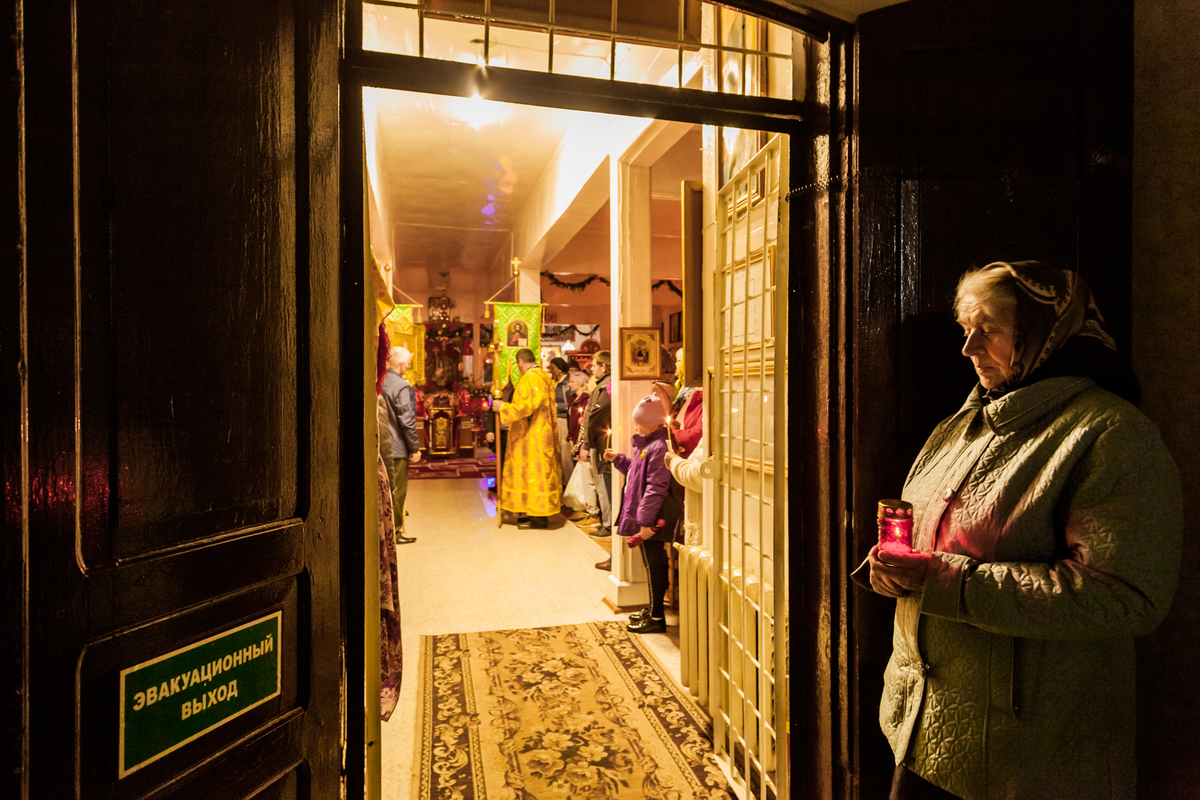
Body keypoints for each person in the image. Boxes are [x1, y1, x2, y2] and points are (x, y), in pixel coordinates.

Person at [856, 261, 1182, 800]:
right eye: (967, 330)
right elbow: (924, 547)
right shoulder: (961, 425)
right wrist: (895, 572)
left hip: (1028, 753)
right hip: (923, 728)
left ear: (1044, 334)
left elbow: (1123, 597)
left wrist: (942, 580)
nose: (968, 348)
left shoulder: (1108, 433)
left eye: (988, 330)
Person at [603, 394, 681, 634]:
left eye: (638, 422)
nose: (635, 426)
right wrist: (620, 460)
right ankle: (653, 608)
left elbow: (656, 487)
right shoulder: (646, 446)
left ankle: (657, 617)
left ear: (650, 423)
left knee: (655, 564)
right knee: (650, 563)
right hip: (648, 516)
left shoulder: (658, 447)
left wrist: (645, 521)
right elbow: (637, 475)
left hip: (654, 518)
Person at [493, 348, 562, 529]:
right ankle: (533, 512)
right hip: (543, 432)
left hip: (534, 435)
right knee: (538, 474)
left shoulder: (530, 378)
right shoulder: (544, 376)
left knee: (535, 474)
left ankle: (539, 517)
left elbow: (526, 406)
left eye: (518, 365)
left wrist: (502, 407)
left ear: (521, 363)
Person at [382, 346, 421, 545]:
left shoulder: (380, 381)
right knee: (396, 490)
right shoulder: (402, 386)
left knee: (383, 489)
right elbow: (407, 421)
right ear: (402, 363)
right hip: (397, 448)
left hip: (380, 444)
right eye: (408, 362)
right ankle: (395, 532)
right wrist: (414, 447)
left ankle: (382, 529)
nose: (409, 366)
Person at [576, 350, 614, 540]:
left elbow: (594, 418)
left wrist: (586, 445)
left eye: (594, 365)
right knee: (602, 484)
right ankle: (607, 521)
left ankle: (608, 524)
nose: (591, 368)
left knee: (603, 485)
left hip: (601, 443)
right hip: (601, 441)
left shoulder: (605, 387)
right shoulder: (603, 385)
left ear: (603, 367)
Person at [548, 356, 575, 485]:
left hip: (563, 419)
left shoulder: (567, 384)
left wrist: (556, 406)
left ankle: (568, 483)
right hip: (554, 419)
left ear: (559, 370)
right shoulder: (555, 382)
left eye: (552, 368)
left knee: (564, 453)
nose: (550, 371)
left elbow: (572, 404)